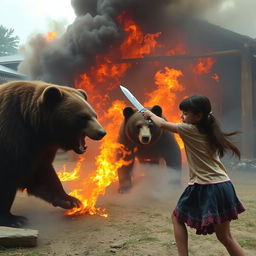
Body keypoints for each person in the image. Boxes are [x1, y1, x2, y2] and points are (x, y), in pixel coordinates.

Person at [142, 95, 245, 256]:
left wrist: (148, 114)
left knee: (177, 218)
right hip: (224, 185)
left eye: (185, 113)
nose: (182, 116)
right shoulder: (209, 128)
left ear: (198, 116)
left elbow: (161, 124)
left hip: (206, 186)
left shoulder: (189, 129)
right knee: (226, 237)